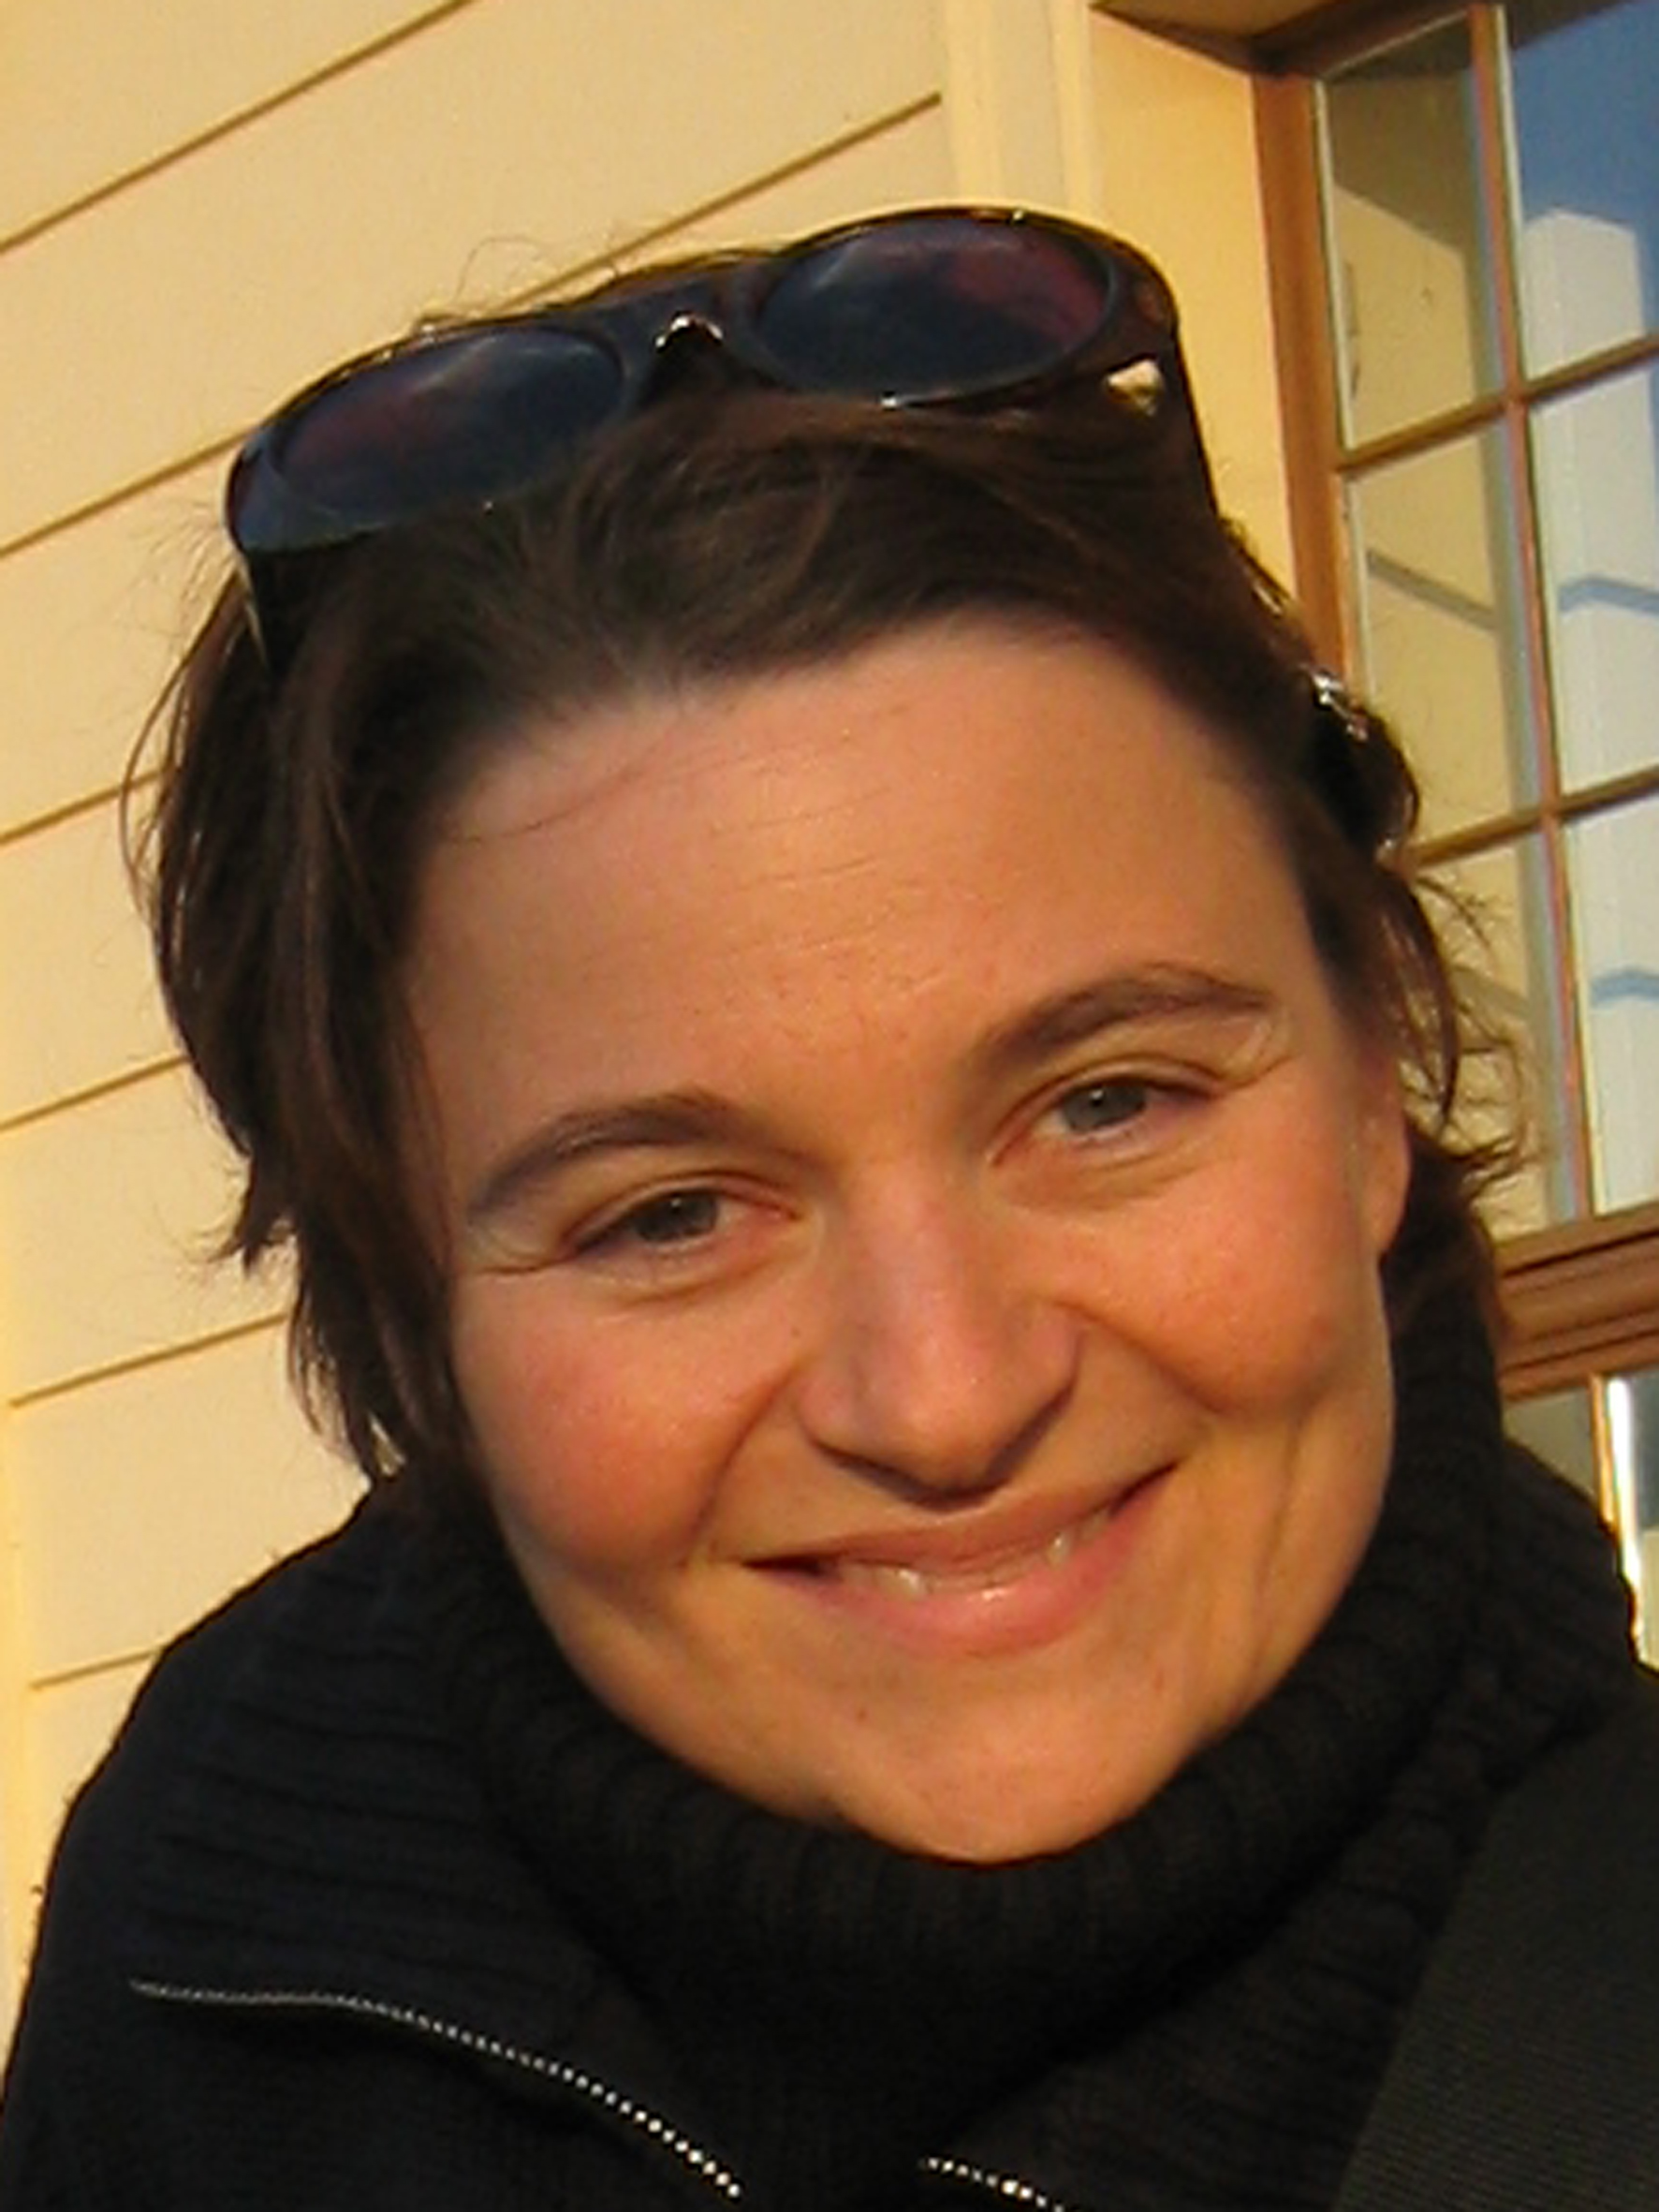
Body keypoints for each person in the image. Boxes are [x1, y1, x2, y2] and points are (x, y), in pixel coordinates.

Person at [0, 205, 1647, 2210]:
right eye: (670, 1216)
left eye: (1105, 1102)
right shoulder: (209, 1961)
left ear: (1375, 1078)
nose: (944, 1396)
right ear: (413, 1310)